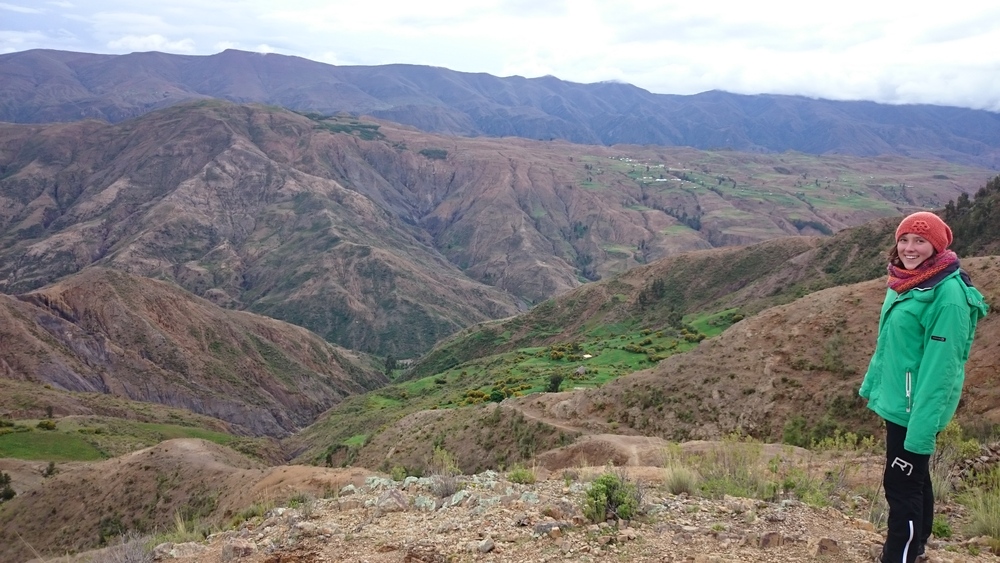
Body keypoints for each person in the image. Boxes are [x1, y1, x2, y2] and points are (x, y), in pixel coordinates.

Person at [859, 211, 988, 563]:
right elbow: (890, 345)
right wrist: (871, 386)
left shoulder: (946, 297)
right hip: (899, 401)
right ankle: (915, 549)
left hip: (916, 407)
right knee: (914, 478)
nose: (909, 248)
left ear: (937, 245)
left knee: (901, 484)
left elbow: (940, 372)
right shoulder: (908, 282)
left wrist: (920, 429)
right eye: (904, 239)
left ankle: (898, 556)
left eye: (920, 241)